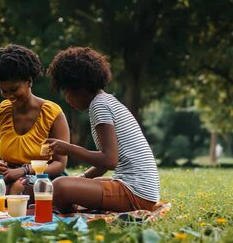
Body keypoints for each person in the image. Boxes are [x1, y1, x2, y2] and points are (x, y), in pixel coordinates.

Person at [44, 47, 160, 212]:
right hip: (141, 191)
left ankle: (67, 207)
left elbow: (109, 160)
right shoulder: (106, 101)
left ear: (80, 87)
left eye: (67, 91)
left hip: (135, 193)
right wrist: (83, 178)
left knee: (59, 186)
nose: (67, 98)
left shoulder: (99, 106)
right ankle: (68, 204)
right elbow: (107, 161)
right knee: (78, 182)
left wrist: (68, 149)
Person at [0, 44, 70, 194]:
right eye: (4, 91)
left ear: (29, 81)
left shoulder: (52, 114)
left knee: (18, 188)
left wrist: (24, 171)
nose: (9, 96)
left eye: (14, 89)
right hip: (8, 178)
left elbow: (59, 164)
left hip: (44, 178)